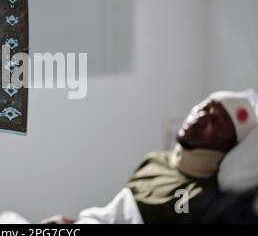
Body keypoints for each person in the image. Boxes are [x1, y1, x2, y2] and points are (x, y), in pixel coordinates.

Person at [40, 91, 258, 224]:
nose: (201, 118)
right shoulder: (155, 160)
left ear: (228, 145)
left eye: (217, 123)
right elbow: (116, 214)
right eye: (203, 108)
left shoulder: (197, 197)